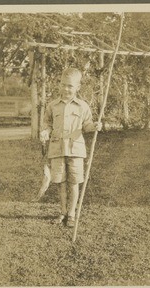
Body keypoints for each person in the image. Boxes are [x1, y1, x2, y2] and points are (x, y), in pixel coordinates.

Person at [40, 68, 102, 227]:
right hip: (57, 149)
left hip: (76, 150)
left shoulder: (83, 106)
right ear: (59, 85)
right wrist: (45, 132)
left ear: (78, 87)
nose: (66, 89)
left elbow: (87, 125)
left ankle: (72, 213)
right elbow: (47, 123)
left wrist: (95, 126)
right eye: (63, 85)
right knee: (60, 182)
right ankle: (62, 211)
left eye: (70, 86)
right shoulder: (52, 105)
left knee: (74, 182)